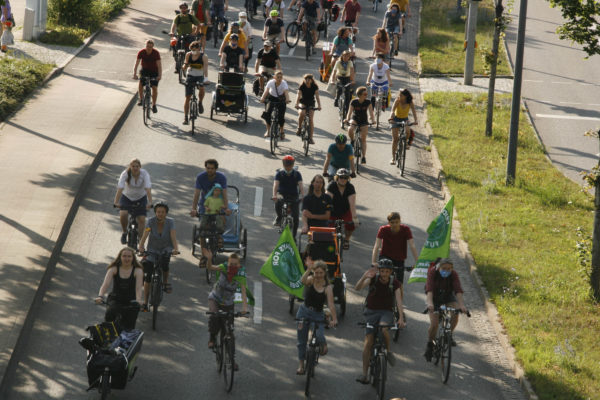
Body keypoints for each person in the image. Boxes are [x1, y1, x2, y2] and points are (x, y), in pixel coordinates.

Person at [354, 259, 405, 384]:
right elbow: (357, 288)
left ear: (391, 272)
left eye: (387, 271)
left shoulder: (395, 283)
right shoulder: (373, 279)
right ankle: (365, 374)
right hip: (371, 312)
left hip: (386, 312)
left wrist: (401, 318)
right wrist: (364, 276)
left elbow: (399, 301)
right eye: (382, 271)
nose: (384, 274)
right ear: (379, 271)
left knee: (384, 329)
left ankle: (387, 351)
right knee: (368, 342)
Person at [296, 260, 337, 375]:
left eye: (321, 273)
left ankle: (323, 344)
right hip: (304, 312)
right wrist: (309, 269)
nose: (318, 275)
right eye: (316, 272)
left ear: (324, 273)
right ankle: (301, 365)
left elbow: (331, 304)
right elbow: (302, 281)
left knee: (319, 335)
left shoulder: (328, 287)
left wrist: (334, 319)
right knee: (301, 341)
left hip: (318, 315)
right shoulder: (311, 280)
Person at [138, 202, 180, 311]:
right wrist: (141, 246)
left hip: (166, 248)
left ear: (166, 213)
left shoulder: (171, 222)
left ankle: (165, 282)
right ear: (155, 212)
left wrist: (176, 249)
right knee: (148, 275)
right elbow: (145, 234)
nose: (160, 214)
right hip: (152, 249)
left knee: (165, 265)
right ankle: (145, 302)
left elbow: (173, 235)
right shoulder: (150, 222)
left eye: (162, 212)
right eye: (158, 212)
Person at [424, 258, 467, 361]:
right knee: (434, 324)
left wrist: (461, 305)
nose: (446, 271)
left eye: (449, 269)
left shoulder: (454, 274)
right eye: (444, 268)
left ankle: (449, 334)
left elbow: (458, 290)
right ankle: (430, 344)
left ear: (452, 269)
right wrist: (430, 303)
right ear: (439, 268)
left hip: (448, 296)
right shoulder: (432, 272)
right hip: (434, 296)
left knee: (455, 313)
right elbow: (429, 289)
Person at [190, 159, 230, 266]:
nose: (210, 170)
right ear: (205, 168)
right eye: (208, 168)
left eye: (212, 168)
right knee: (203, 231)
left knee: (221, 222)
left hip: (218, 204)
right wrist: (194, 209)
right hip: (205, 205)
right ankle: (203, 256)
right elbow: (197, 194)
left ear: (216, 169)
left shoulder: (221, 178)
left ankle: (219, 238)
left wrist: (225, 208)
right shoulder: (200, 177)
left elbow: (225, 194)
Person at [370, 212, 418, 298]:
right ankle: (373, 295)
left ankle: (400, 306)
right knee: (380, 277)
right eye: (392, 222)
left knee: (399, 284)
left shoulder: (406, 229)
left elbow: (412, 245)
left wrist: (417, 262)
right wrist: (373, 262)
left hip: (399, 259)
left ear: (400, 221)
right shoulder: (383, 229)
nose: (395, 224)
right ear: (389, 223)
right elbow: (377, 245)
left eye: (397, 222)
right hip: (385, 256)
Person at [95, 247, 144, 330]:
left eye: (129, 256)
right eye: (124, 256)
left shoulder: (138, 271)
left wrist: (138, 300)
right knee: (109, 315)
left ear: (133, 258)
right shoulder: (113, 269)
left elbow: (138, 288)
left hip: (131, 300)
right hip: (115, 299)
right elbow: (105, 284)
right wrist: (100, 296)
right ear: (120, 257)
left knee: (130, 324)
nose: (126, 258)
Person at [207, 253, 249, 349]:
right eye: (231, 264)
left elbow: (243, 292)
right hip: (215, 298)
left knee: (229, 330)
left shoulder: (241, 274)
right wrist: (209, 259)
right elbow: (210, 267)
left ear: (239, 265)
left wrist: (244, 309)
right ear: (228, 263)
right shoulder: (223, 267)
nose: (233, 267)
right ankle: (212, 338)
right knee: (214, 316)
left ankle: (231, 359)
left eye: (235, 265)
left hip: (228, 303)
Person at [114, 159, 153, 245]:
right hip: (127, 197)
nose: (135, 168)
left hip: (141, 197)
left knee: (142, 219)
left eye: (137, 166)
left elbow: (147, 188)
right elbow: (120, 188)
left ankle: (140, 240)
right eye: (133, 166)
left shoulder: (144, 174)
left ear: (140, 167)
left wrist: (150, 203)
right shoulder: (125, 174)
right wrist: (116, 202)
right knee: (123, 214)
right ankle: (124, 232)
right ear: (130, 167)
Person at [272, 155, 303, 239]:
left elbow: (300, 185)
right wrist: (274, 195)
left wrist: (303, 195)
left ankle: (294, 237)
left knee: (296, 217)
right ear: (283, 164)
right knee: (278, 201)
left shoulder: (297, 174)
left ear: (293, 164)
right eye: (286, 164)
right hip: (282, 193)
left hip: (294, 195)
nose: (288, 166)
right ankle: (279, 217)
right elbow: (275, 185)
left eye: (290, 164)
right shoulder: (279, 173)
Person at [326, 168, 358, 248]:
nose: (343, 179)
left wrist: (354, 218)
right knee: (329, 229)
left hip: (345, 211)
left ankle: (347, 239)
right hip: (333, 211)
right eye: (341, 177)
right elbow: (327, 201)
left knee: (351, 225)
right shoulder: (331, 186)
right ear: (337, 177)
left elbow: (352, 204)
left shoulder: (350, 187)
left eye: (345, 177)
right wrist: (326, 216)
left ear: (348, 179)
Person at [345, 86, 374, 164]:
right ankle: (352, 140)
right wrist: (347, 119)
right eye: (365, 94)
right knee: (350, 129)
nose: (366, 95)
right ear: (360, 95)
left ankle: (363, 157)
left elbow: (371, 112)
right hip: (355, 119)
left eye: (366, 93)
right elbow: (349, 112)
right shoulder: (353, 102)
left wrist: (373, 120)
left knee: (363, 139)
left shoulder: (368, 102)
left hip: (364, 121)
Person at [182, 40, 209, 124]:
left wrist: (206, 78)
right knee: (188, 97)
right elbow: (185, 65)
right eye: (192, 50)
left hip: (199, 76)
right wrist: (184, 66)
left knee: (202, 87)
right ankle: (186, 117)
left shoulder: (204, 56)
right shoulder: (188, 55)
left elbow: (205, 68)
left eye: (195, 50)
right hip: (190, 75)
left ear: (199, 49)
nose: (193, 52)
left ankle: (200, 102)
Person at [389, 88, 418, 163]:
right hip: (395, 119)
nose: (399, 96)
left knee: (408, 131)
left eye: (401, 95)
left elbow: (414, 111)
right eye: (399, 95)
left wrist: (416, 120)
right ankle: (393, 158)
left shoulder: (410, 102)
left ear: (405, 96)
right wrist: (391, 115)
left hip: (405, 119)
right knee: (395, 139)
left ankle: (406, 143)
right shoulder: (397, 100)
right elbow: (392, 110)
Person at [133, 39, 162, 114]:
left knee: (154, 88)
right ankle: (141, 99)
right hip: (144, 70)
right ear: (145, 46)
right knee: (140, 83)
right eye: (147, 46)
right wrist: (134, 73)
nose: (148, 48)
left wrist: (159, 75)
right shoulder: (141, 52)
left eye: (150, 47)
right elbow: (137, 64)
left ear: (153, 47)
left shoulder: (156, 53)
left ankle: (154, 105)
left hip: (154, 72)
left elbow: (159, 66)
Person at [260, 70, 291, 139]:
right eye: (278, 77)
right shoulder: (271, 82)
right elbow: (266, 91)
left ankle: (282, 131)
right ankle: (268, 131)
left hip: (281, 99)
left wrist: (287, 100)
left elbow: (286, 93)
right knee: (267, 114)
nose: (279, 79)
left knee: (281, 116)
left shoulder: (284, 83)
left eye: (281, 77)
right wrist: (262, 98)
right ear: (274, 77)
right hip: (271, 98)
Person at [295, 74, 321, 143]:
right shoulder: (302, 86)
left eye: (309, 79)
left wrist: (319, 105)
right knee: (302, 113)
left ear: (311, 80)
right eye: (306, 79)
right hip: (303, 102)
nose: (307, 80)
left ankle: (311, 138)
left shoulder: (314, 87)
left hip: (311, 103)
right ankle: (299, 128)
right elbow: (298, 95)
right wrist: (296, 104)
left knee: (311, 119)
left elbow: (317, 97)